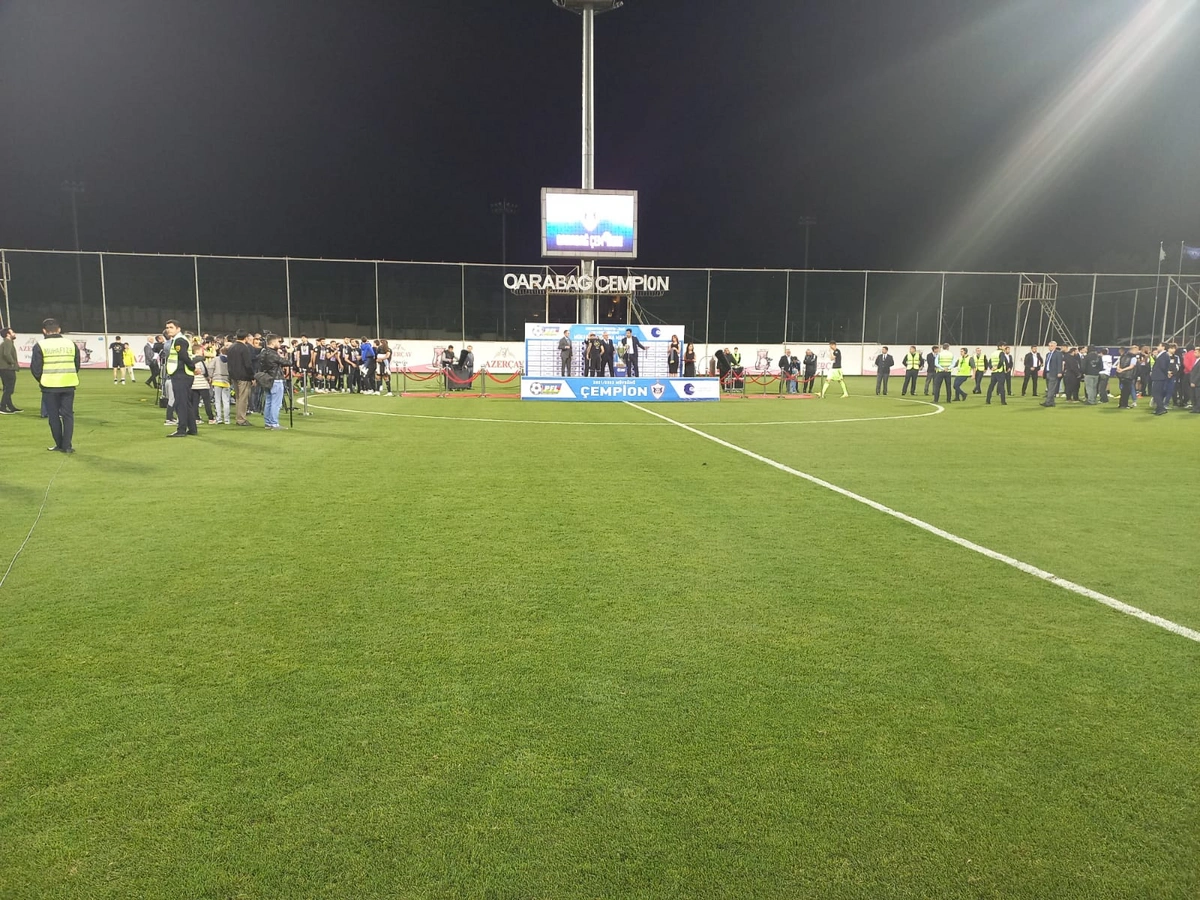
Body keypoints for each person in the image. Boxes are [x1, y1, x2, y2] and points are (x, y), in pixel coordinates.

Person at [30, 318, 80, 453]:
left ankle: (59, 444)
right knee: (68, 415)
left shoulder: (40, 345)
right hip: (69, 384)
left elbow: (36, 368)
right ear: (59, 330)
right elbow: (77, 364)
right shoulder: (70, 344)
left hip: (49, 386)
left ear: (44, 331)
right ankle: (67, 446)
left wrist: (42, 379)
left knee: (53, 417)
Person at [163, 320, 198, 437]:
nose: (168, 329)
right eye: (167, 327)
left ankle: (181, 429)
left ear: (178, 329)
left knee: (180, 403)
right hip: (183, 374)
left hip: (181, 374)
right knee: (186, 403)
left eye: (171, 327)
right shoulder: (179, 339)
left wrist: (193, 367)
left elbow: (183, 356)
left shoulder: (179, 340)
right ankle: (192, 428)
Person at [226, 330, 254, 426]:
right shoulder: (244, 348)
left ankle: (239, 417)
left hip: (234, 375)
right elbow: (248, 364)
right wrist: (252, 376)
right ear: (246, 338)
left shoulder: (231, 347)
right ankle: (241, 419)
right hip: (243, 376)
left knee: (238, 397)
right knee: (243, 398)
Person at [259, 334, 288, 429]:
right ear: (273, 342)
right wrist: (286, 355)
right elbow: (287, 363)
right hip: (276, 379)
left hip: (267, 379)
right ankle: (274, 423)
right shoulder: (273, 354)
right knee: (276, 403)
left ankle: (268, 422)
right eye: (278, 342)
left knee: (269, 401)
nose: (279, 344)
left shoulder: (263, 352)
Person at [1150, 343, 1177, 416]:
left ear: (1163, 347)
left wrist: (1167, 373)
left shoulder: (1164, 355)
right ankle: (1159, 409)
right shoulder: (1163, 355)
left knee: (1156, 393)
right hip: (1159, 377)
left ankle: (1161, 409)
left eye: (1159, 346)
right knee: (1158, 393)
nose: (1157, 347)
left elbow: (1163, 366)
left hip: (1159, 377)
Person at [210, 339, 231, 424]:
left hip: (216, 380)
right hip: (226, 381)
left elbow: (210, 367)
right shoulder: (230, 360)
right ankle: (227, 419)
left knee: (217, 401)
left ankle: (219, 418)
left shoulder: (216, 359)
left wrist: (210, 377)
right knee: (226, 401)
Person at [0, 327, 20, 414]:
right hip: (7, 368)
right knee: (9, 389)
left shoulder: (6, 342)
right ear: (8, 334)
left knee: (7, 388)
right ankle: (2, 407)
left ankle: (10, 406)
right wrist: (12, 363)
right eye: (12, 332)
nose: (14, 333)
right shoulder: (7, 342)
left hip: (4, 368)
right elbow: (7, 354)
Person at [1040, 341, 1062, 407]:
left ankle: (1048, 402)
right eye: (1049, 346)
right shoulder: (1048, 354)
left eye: (1051, 346)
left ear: (1055, 346)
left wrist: (1059, 372)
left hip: (1054, 373)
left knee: (1051, 388)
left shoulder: (1058, 354)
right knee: (1050, 388)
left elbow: (1059, 363)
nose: (1050, 347)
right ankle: (1052, 402)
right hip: (1047, 373)